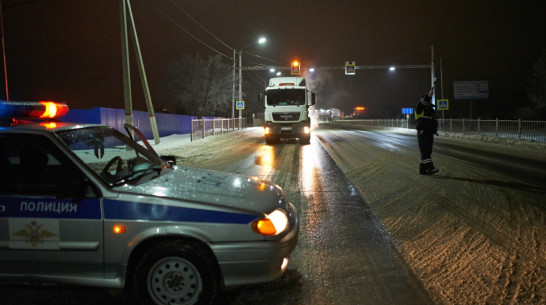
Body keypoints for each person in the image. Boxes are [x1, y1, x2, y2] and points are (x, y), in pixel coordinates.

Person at [415, 88, 439, 175]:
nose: (429, 101)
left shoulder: (431, 111)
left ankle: (422, 170)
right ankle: (430, 168)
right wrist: (428, 96)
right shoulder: (419, 109)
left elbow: (433, 122)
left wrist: (435, 130)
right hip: (422, 132)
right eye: (428, 100)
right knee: (425, 151)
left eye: (430, 100)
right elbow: (421, 103)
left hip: (429, 133)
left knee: (428, 151)